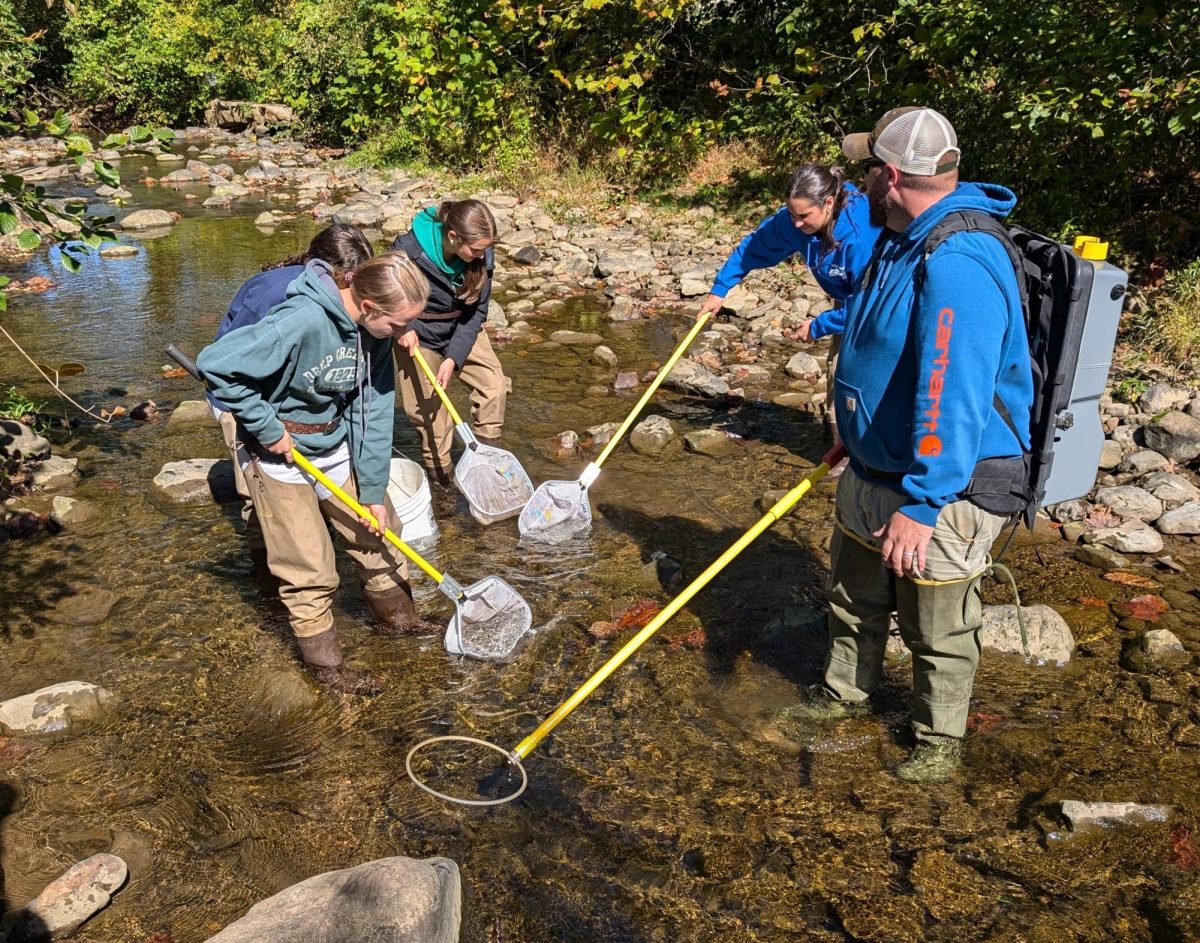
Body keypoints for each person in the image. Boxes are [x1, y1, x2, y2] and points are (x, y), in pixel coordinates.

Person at [792, 107, 1034, 783]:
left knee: (936, 629)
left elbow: (952, 391)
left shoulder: (958, 261)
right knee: (853, 599)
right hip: (876, 463)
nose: (860, 178)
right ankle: (845, 697)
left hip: (945, 484)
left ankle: (938, 743)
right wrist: (855, 431)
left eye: (869, 168)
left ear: (890, 176)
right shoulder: (901, 234)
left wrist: (925, 501)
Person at [197, 253, 435, 695]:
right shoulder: (301, 319)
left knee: (381, 536)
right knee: (311, 571)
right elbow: (216, 365)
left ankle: (401, 623)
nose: (407, 336)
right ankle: (328, 672)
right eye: (400, 324)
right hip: (278, 459)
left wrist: (374, 491)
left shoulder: (377, 337)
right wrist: (267, 427)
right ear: (368, 308)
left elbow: (373, 413)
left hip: (334, 447)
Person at [207, 221, 374, 585]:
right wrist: (266, 425)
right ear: (340, 276)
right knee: (258, 498)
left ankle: (308, 540)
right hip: (241, 398)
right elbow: (230, 367)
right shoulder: (275, 294)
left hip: (301, 397)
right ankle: (266, 575)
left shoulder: (343, 302)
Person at [699, 163, 883, 434]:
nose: (796, 223)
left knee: (869, 374)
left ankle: (874, 446)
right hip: (848, 299)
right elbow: (755, 246)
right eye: (792, 214)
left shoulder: (859, 236)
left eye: (804, 216)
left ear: (828, 203)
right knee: (838, 371)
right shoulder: (795, 220)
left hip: (883, 303)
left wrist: (818, 326)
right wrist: (719, 289)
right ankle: (839, 448)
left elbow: (866, 305)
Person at [390, 199, 506, 485]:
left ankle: (485, 466)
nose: (483, 255)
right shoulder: (407, 251)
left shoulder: (481, 255)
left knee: (494, 386)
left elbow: (477, 312)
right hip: (417, 333)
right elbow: (388, 296)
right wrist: (402, 327)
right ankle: (442, 479)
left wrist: (453, 357)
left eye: (485, 248)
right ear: (453, 237)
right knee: (429, 411)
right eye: (476, 249)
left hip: (462, 325)